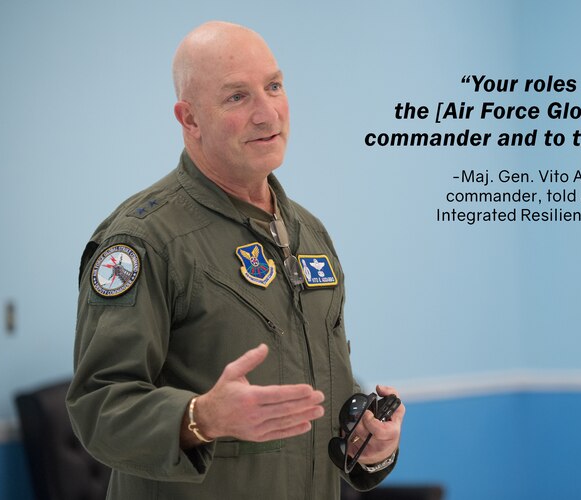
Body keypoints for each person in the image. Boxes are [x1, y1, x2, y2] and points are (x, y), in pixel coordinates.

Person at [66, 21, 404, 499]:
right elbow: (98, 408)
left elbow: (325, 407)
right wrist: (199, 419)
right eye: (237, 97)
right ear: (190, 120)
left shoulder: (310, 234)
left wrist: (370, 444)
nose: (268, 115)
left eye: (274, 86)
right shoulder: (144, 241)